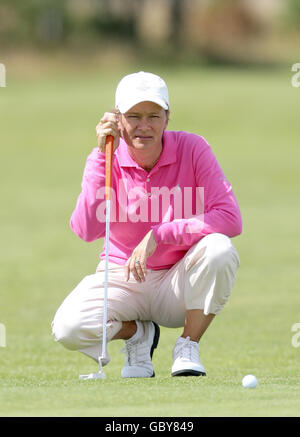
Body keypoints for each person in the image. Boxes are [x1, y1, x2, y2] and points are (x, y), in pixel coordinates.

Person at [52, 71, 242, 378]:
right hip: (122, 277)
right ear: (118, 119)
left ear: (167, 117)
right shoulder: (105, 158)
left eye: (154, 115)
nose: (144, 125)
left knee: (219, 249)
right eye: (134, 116)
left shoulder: (193, 148)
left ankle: (187, 345)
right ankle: (138, 334)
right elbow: (86, 229)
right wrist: (102, 157)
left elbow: (229, 217)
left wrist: (161, 234)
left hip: (177, 282)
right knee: (67, 328)